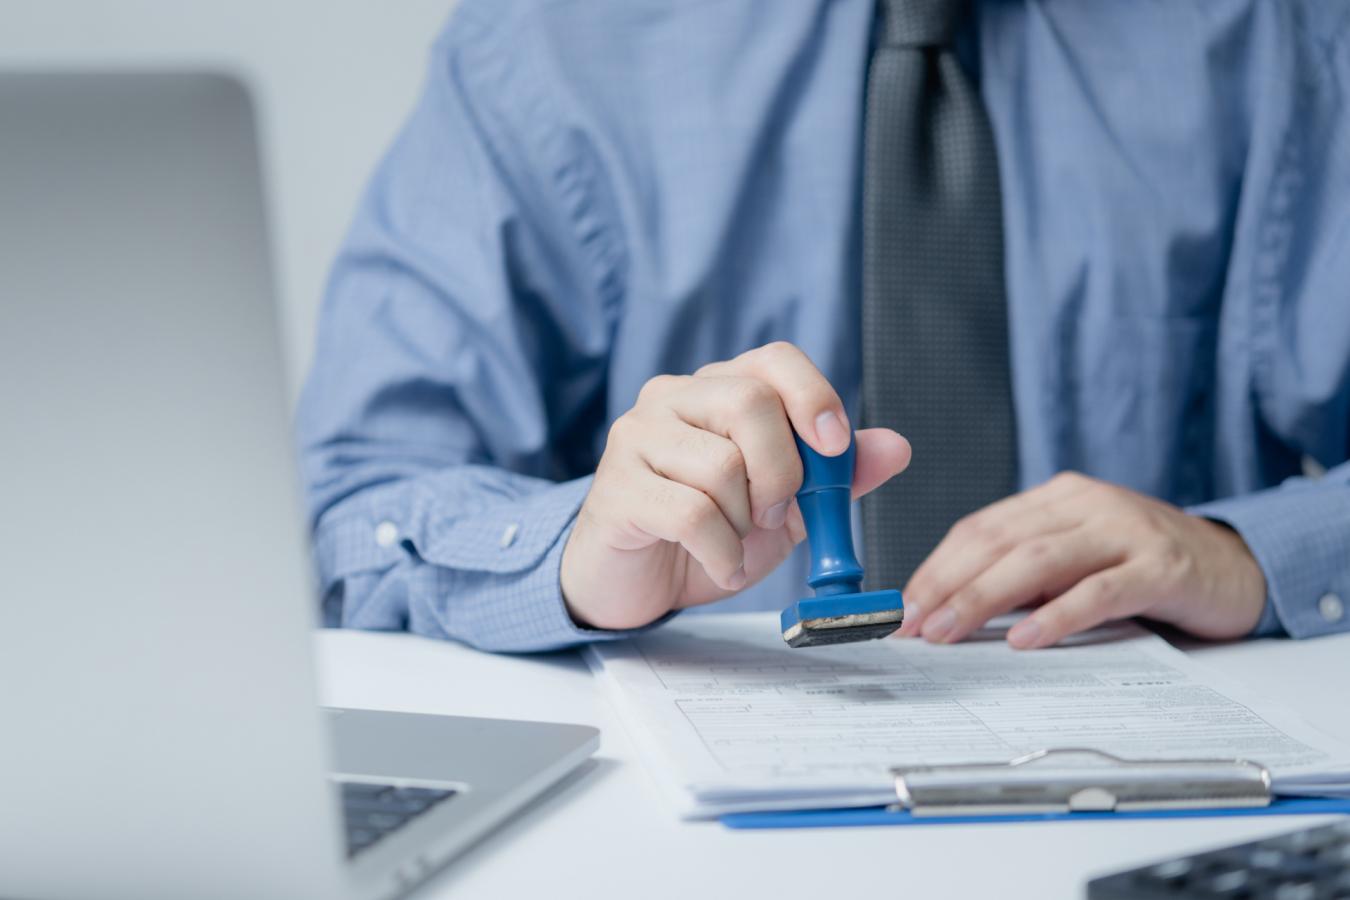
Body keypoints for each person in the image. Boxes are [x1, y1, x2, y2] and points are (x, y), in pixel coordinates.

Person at [297, 0, 1350, 654]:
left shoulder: (1282, 34)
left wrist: (1249, 556)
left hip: (1163, 800)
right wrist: (573, 563)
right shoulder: (548, 46)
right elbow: (350, 507)